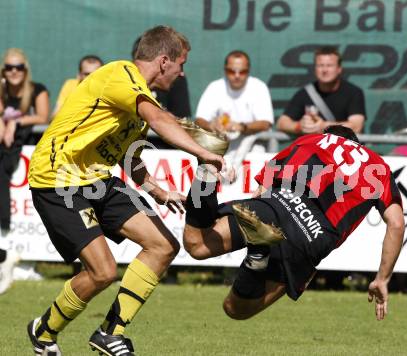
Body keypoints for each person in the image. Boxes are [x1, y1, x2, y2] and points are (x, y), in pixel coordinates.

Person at [26, 26, 224, 356]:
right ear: (163, 61)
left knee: (162, 246)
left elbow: (128, 155)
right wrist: (202, 151)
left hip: (97, 181)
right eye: (182, 63)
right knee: (102, 272)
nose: (182, 72)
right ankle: (43, 331)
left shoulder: (142, 101)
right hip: (58, 177)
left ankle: (109, 333)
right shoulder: (120, 74)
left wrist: (157, 189)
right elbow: (159, 120)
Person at [183, 125, 404, 321]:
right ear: (358, 145)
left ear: (328, 135)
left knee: (197, 244)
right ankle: (257, 256)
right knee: (235, 309)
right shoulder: (380, 168)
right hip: (311, 236)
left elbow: (261, 191)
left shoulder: (311, 139)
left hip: (276, 204)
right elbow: (396, 224)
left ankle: (207, 169)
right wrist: (382, 279)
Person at [195, 50, 273, 173]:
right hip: (220, 150)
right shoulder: (215, 87)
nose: (237, 75)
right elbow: (199, 120)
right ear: (225, 70)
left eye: (242, 72)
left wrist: (241, 127)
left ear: (248, 71)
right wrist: (211, 125)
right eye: (232, 71)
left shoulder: (259, 87)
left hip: (252, 152)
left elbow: (266, 123)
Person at [0, 48, 50, 235]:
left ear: (25, 70)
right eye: (9, 67)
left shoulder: (37, 89)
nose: (14, 71)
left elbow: (43, 117)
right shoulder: (1, 89)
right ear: (3, 71)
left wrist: (15, 121)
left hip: (29, 147)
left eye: (19, 67)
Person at [276, 46, 366, 135]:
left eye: (329, 65)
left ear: (339, 69)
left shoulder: (353, 92)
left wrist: (324, 126)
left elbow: (356, 126)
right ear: (315, 69)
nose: (325, 70)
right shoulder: (305, 93)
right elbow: (281, 123)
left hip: (344, 148)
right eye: (320, 65)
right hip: (315, 148)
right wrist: (300, 126)